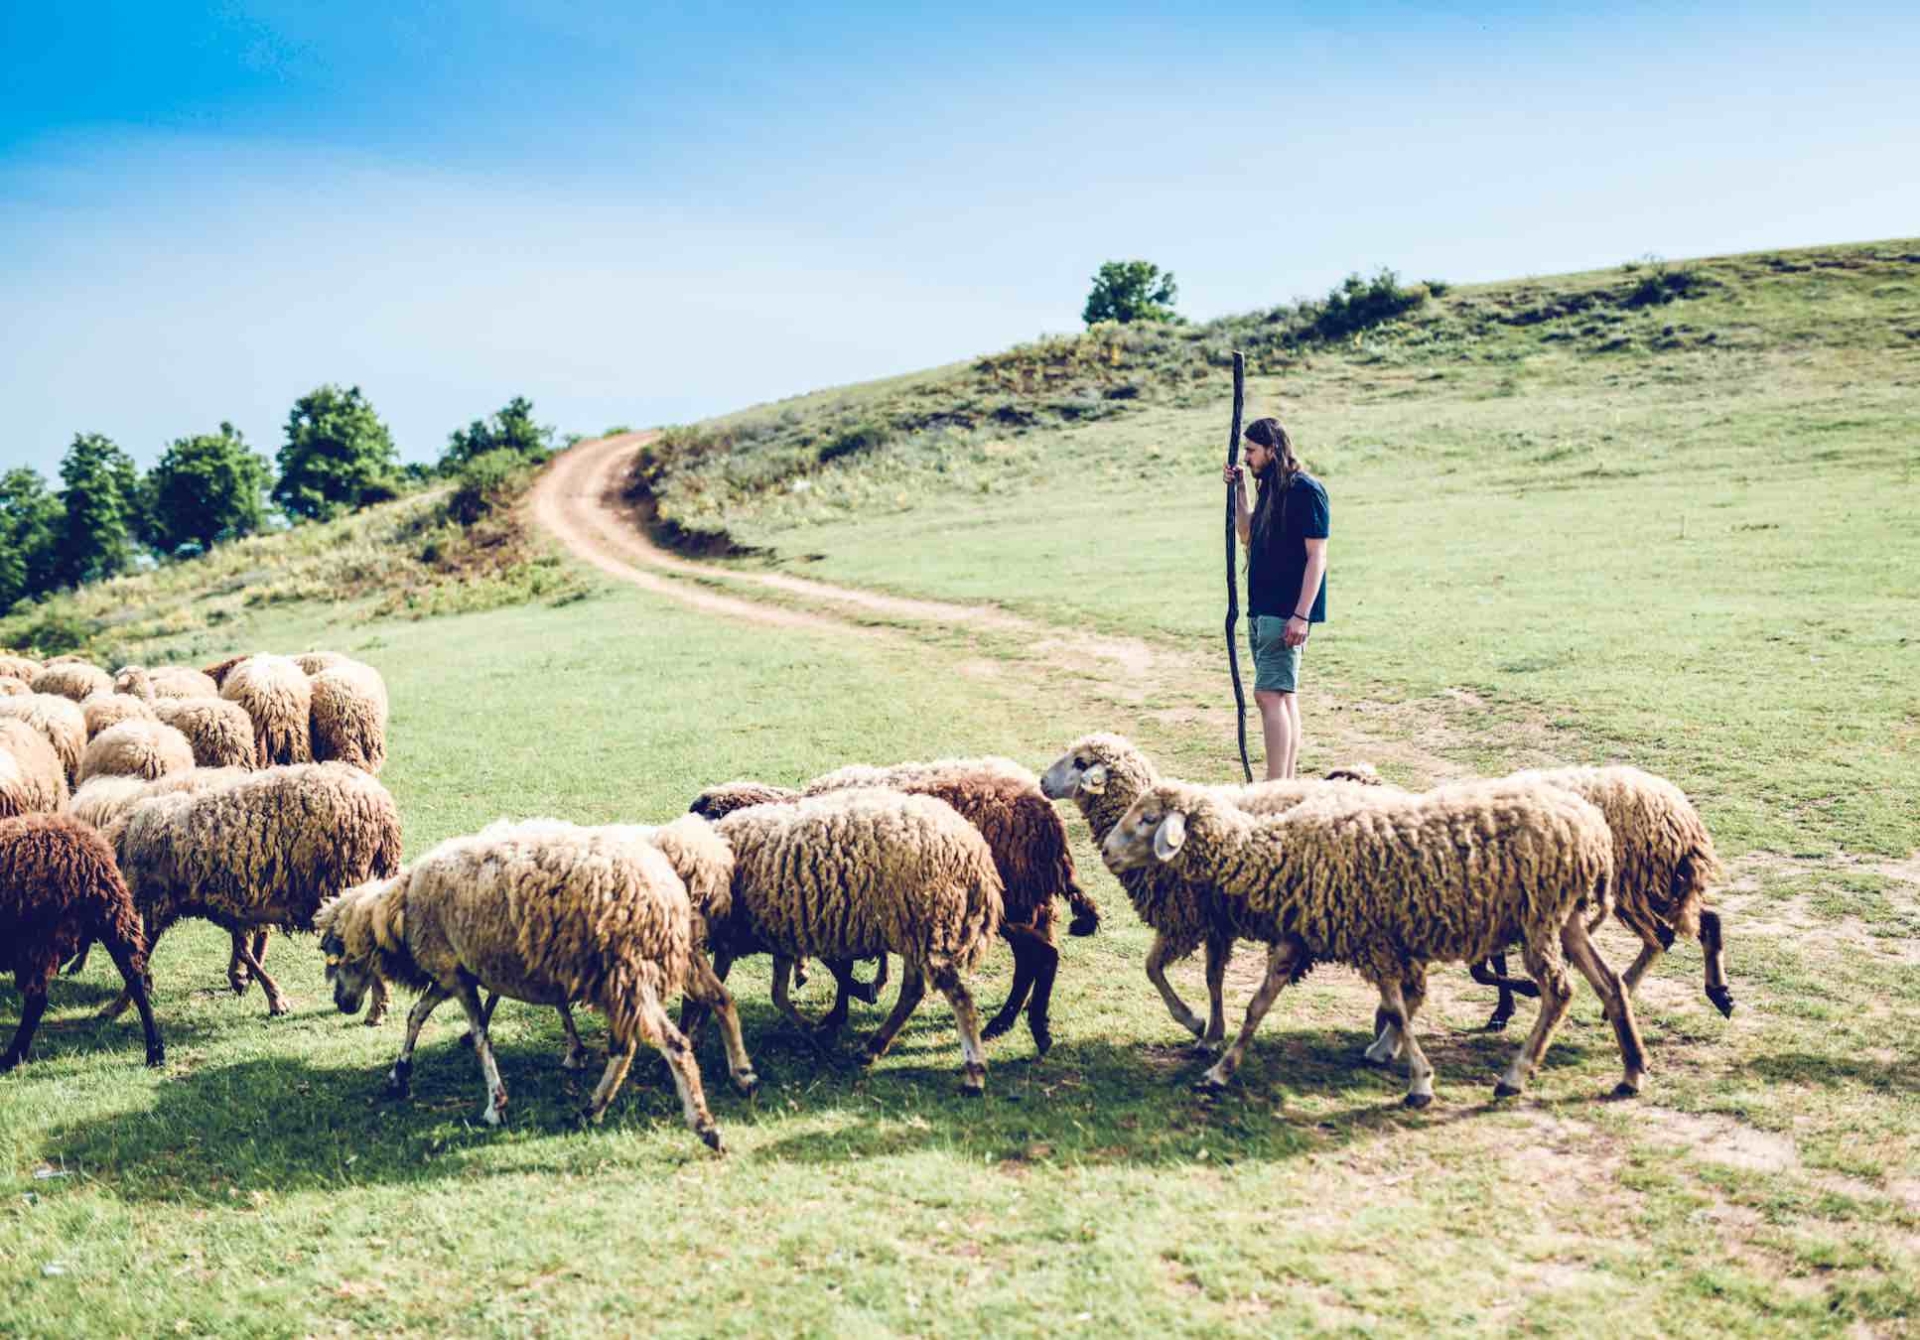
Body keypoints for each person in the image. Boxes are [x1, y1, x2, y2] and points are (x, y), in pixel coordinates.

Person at [1222, 417, 1329, 779]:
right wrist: (1239, 490)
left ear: (1272, 448)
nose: (1247, 458)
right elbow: (1248, 534)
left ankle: (1275, 784)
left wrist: (1302, 615)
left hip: (1285, 610)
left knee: (1269, 696)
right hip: (1262, 608)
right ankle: (1285, 781)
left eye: (1252, 451)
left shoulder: (1306, 490)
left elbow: (1318, 557)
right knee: (1282, 696)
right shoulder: (1270, 488)